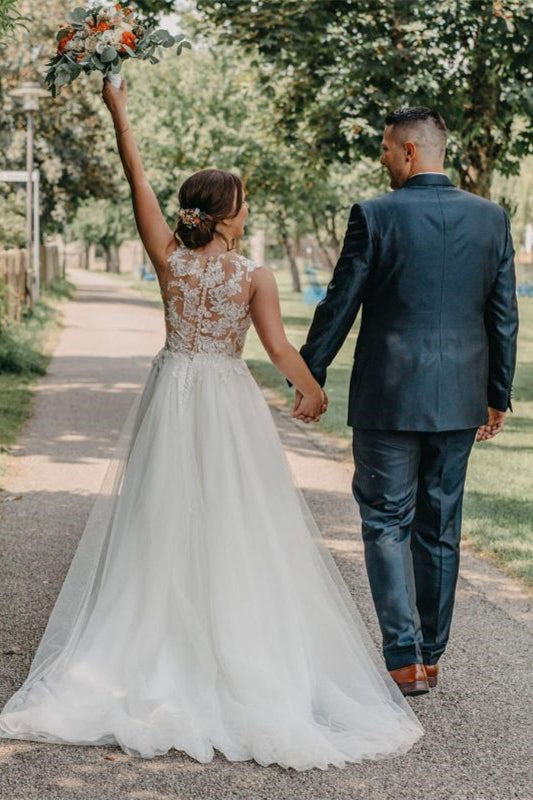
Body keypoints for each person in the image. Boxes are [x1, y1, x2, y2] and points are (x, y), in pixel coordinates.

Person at [0, 80, 423, 769]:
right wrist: (311, 392)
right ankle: (231, 647)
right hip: (224, 399)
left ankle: (152, 646)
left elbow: (134, 174)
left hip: (172, 392)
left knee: (159, 517)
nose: (247, 209)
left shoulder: (168, 259)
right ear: (228, 217)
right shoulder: (251, 276)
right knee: (234, 519)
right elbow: (279, 350)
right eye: (243, 203)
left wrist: (120, 112)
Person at [295, 106, 519, 696]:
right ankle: (431, 653)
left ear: (411, 152)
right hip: (460, 398)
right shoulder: (491, 218)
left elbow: (339, 304)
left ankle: (403, 658)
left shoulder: (374, 215)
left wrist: (308, 373)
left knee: (386, 521)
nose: (383, 159)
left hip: (389, 396)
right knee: (440, 523)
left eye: (387, 150)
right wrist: (497, 394)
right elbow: (503, 316)